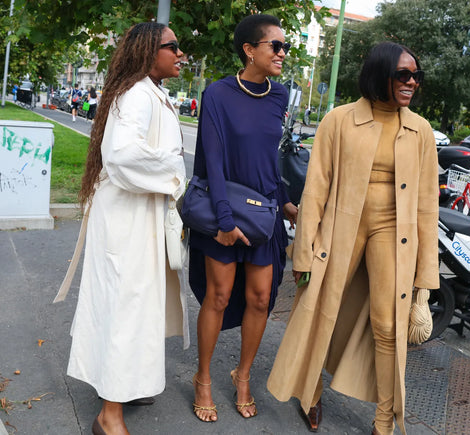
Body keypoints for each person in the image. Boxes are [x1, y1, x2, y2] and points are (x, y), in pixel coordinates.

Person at [267, 41, 440, 435]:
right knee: (321, 311)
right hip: (340, 228)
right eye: (403, 75)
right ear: (380, 74)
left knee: (387, 323)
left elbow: (428, 205)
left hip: (394, 231)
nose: (412, 82)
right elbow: (315, 190)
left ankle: (384, 421)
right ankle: (309, 392)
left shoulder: (420, 130)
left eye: (417, 76)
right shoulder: (339, 120)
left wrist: (426, 276)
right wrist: (304, 254)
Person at [65, 22, 187, 435]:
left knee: (136, 307)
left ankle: (127, 385)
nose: (180, 54)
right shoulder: (137, 94)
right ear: (149, 50)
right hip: (128, 219)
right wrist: (173, 171)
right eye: (173, 47)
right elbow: (121, 155)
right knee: (127, 310)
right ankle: (109, 415)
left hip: (135, 215)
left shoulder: (147, 92)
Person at [188, 14, 297, 423]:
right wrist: (223, 219)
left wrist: (285, 202)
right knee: (217, 297)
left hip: (264, 213)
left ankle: (243, 375)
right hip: (226, 212)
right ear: (250, 50)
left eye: (285, 47)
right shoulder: (217, 93)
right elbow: (212, 161)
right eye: (276, 46)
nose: (283, 53)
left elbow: (270, 158)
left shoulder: (279, 95)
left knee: (260, 298)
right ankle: (202, 378)